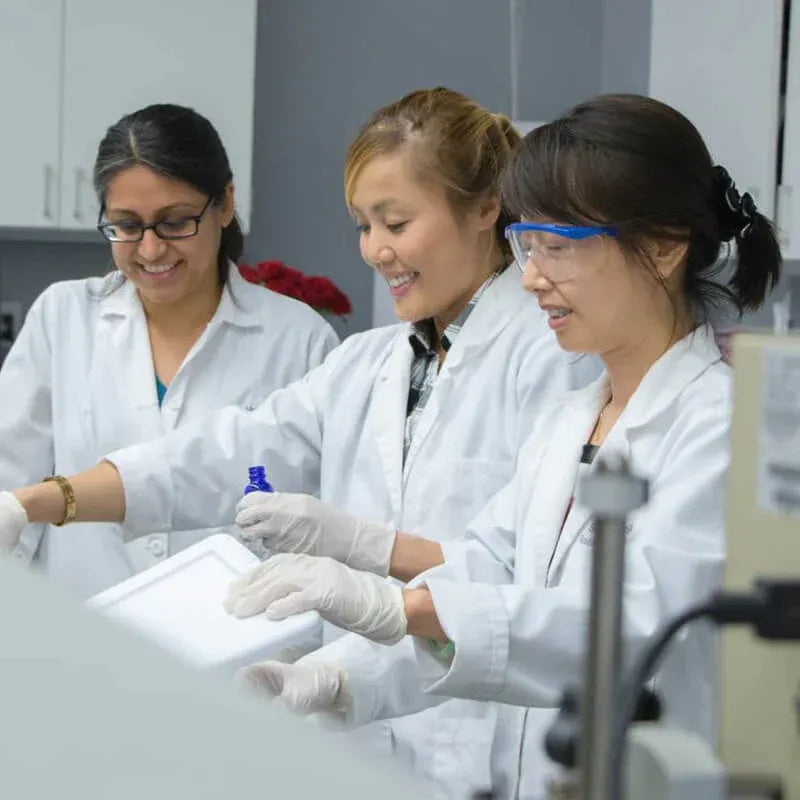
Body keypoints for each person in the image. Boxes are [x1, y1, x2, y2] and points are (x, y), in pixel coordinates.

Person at [0, 88, 590, 796]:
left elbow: (540, 586)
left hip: (476, 735)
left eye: (395, 222)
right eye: (363, 225)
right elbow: (228, 451)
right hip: (356, 724)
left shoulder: (553, 358)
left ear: (486, 207)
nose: (376, 250)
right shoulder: (369, 362)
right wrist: (44, 500)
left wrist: (369, 556)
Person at [220, 94, 782, 799]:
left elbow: (634, 623)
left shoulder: (718, 426)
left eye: (561, 247)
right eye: (528, 244)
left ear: (665, 246)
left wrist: (401, 607)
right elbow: (486, 573)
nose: (531, 276)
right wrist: (337, 679)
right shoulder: (570, 421)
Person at [0, 103, 338, 597]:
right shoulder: (65, 317)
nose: (151, 250)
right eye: (126, 225)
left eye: (176, 222)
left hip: (234, 651)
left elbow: (320, 523)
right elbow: (11, 490)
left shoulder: (299, 339)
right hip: (81, 639)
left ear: (224, 204)